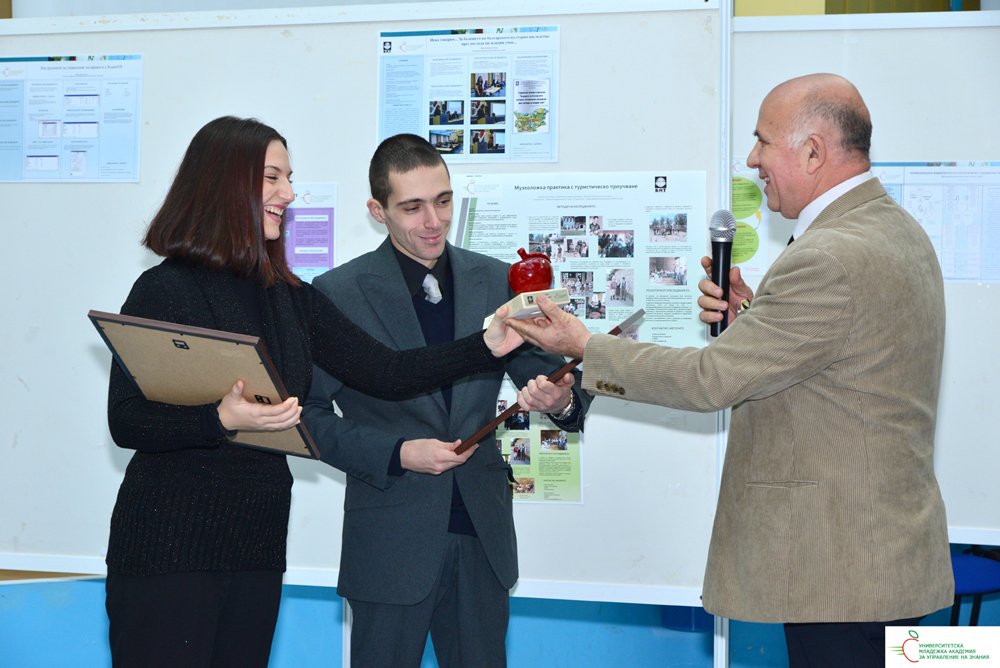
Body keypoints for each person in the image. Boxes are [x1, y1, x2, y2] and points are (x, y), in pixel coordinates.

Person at [503, 74, 952, 668]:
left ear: (813, 152)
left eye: (763, 141)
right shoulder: (894, 229)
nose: (752, 159)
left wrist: (585, 346)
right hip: (875, 561)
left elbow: (709, 380)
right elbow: (844, 367)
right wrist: (754, 319)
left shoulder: (828, 256)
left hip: (842, 575)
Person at [104, 117, 521, 668]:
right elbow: (127, 420)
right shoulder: (164, 287)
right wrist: (218, 419)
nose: (289, 193)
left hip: (255, 546)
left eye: (289, 178)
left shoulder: (289, 296)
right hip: (168, 549)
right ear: (223, 183)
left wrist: (485, 345)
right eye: (272, 178)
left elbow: (388, 372)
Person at [301, 133, 591, 668]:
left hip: (482, 536)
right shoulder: (337, 293)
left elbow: (560, 380)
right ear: (378, 211)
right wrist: (398, 454)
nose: (433, 221)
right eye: (412, 207)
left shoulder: (496, 280)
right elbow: (309, 419)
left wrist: (559, 400)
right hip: (389, 541)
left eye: (443, 200)